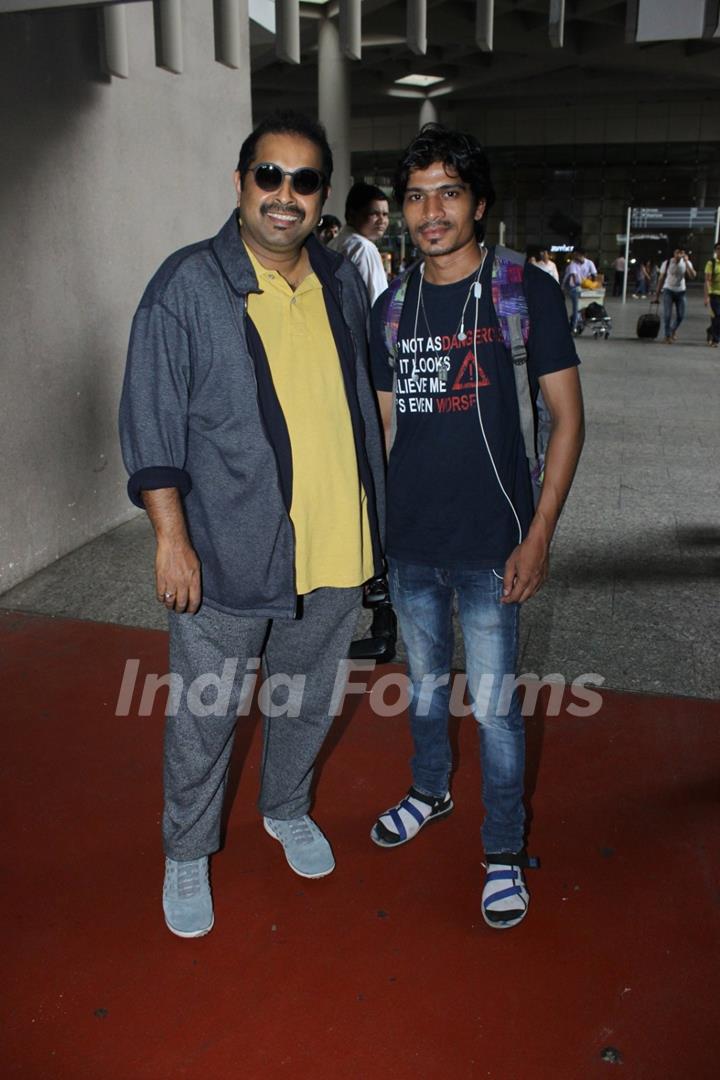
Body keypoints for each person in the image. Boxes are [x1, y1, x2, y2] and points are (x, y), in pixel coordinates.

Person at [119, 111, 386, 939]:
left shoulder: (342, 279)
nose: (285, 195)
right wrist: (172, 538)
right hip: (231, 550)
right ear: (240, 184)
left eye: (304, 181)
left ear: (321, 196)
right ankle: (187, 850)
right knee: (206, 711)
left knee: (307, 700)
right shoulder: (187, 286)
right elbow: (150, 421)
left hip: (337, 546)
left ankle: (284, 808)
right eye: (268, 175)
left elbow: (366, 400)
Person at [368, 123, 585, 929]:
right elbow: (389, 432)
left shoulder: (523, 292)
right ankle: (429, 791)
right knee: (424, 690)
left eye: (448, 193)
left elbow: (566, 420)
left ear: (478, 203)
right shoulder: (392, 309)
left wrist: (539, 536)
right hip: (413, 546)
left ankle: (502, 848)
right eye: (418, 195)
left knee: (494, 709)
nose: (432, 211)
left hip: (497, 546)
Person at [330, 181, 390, 304]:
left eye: (385, 214)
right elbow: (375, 304)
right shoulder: (363, 248)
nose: (382, 220)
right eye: (374, 213)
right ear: (352, 215)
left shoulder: (336, 243)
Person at [656, 248, 696, 343]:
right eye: (677, 252)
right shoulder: (667, 263)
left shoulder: (687, 263)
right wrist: (657, 295)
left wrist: (686, 262)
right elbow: (661, 279)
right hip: (668, 290)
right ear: (674, 253)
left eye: (681, 252)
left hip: (681, 292)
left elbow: (693, 276)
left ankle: (672, 330)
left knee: (681, 316)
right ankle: (667, 336)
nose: (679, 254)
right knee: (667, 315)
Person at [561, 250, 596, 333]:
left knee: (584, 307)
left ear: (584, 255)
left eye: (578, 255)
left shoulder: (589, 263)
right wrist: (583, 283)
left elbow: (594, 274)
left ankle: (574, 319)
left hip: (586, 288)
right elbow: (574, 277)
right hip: (574, 288)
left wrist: (592, 282)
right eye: (575, 255)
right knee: (576, 307)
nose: (576, 257)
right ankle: (572, 327)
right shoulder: (573, 264)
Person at [703, 241, 720, 347]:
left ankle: (710, 331)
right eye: (718, 249)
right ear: (715, 250)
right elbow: (708, 280)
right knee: (717, 317)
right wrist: (707, 296)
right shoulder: (711, 263)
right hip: (714, 294)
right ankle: (715, 340)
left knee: (718, 319)